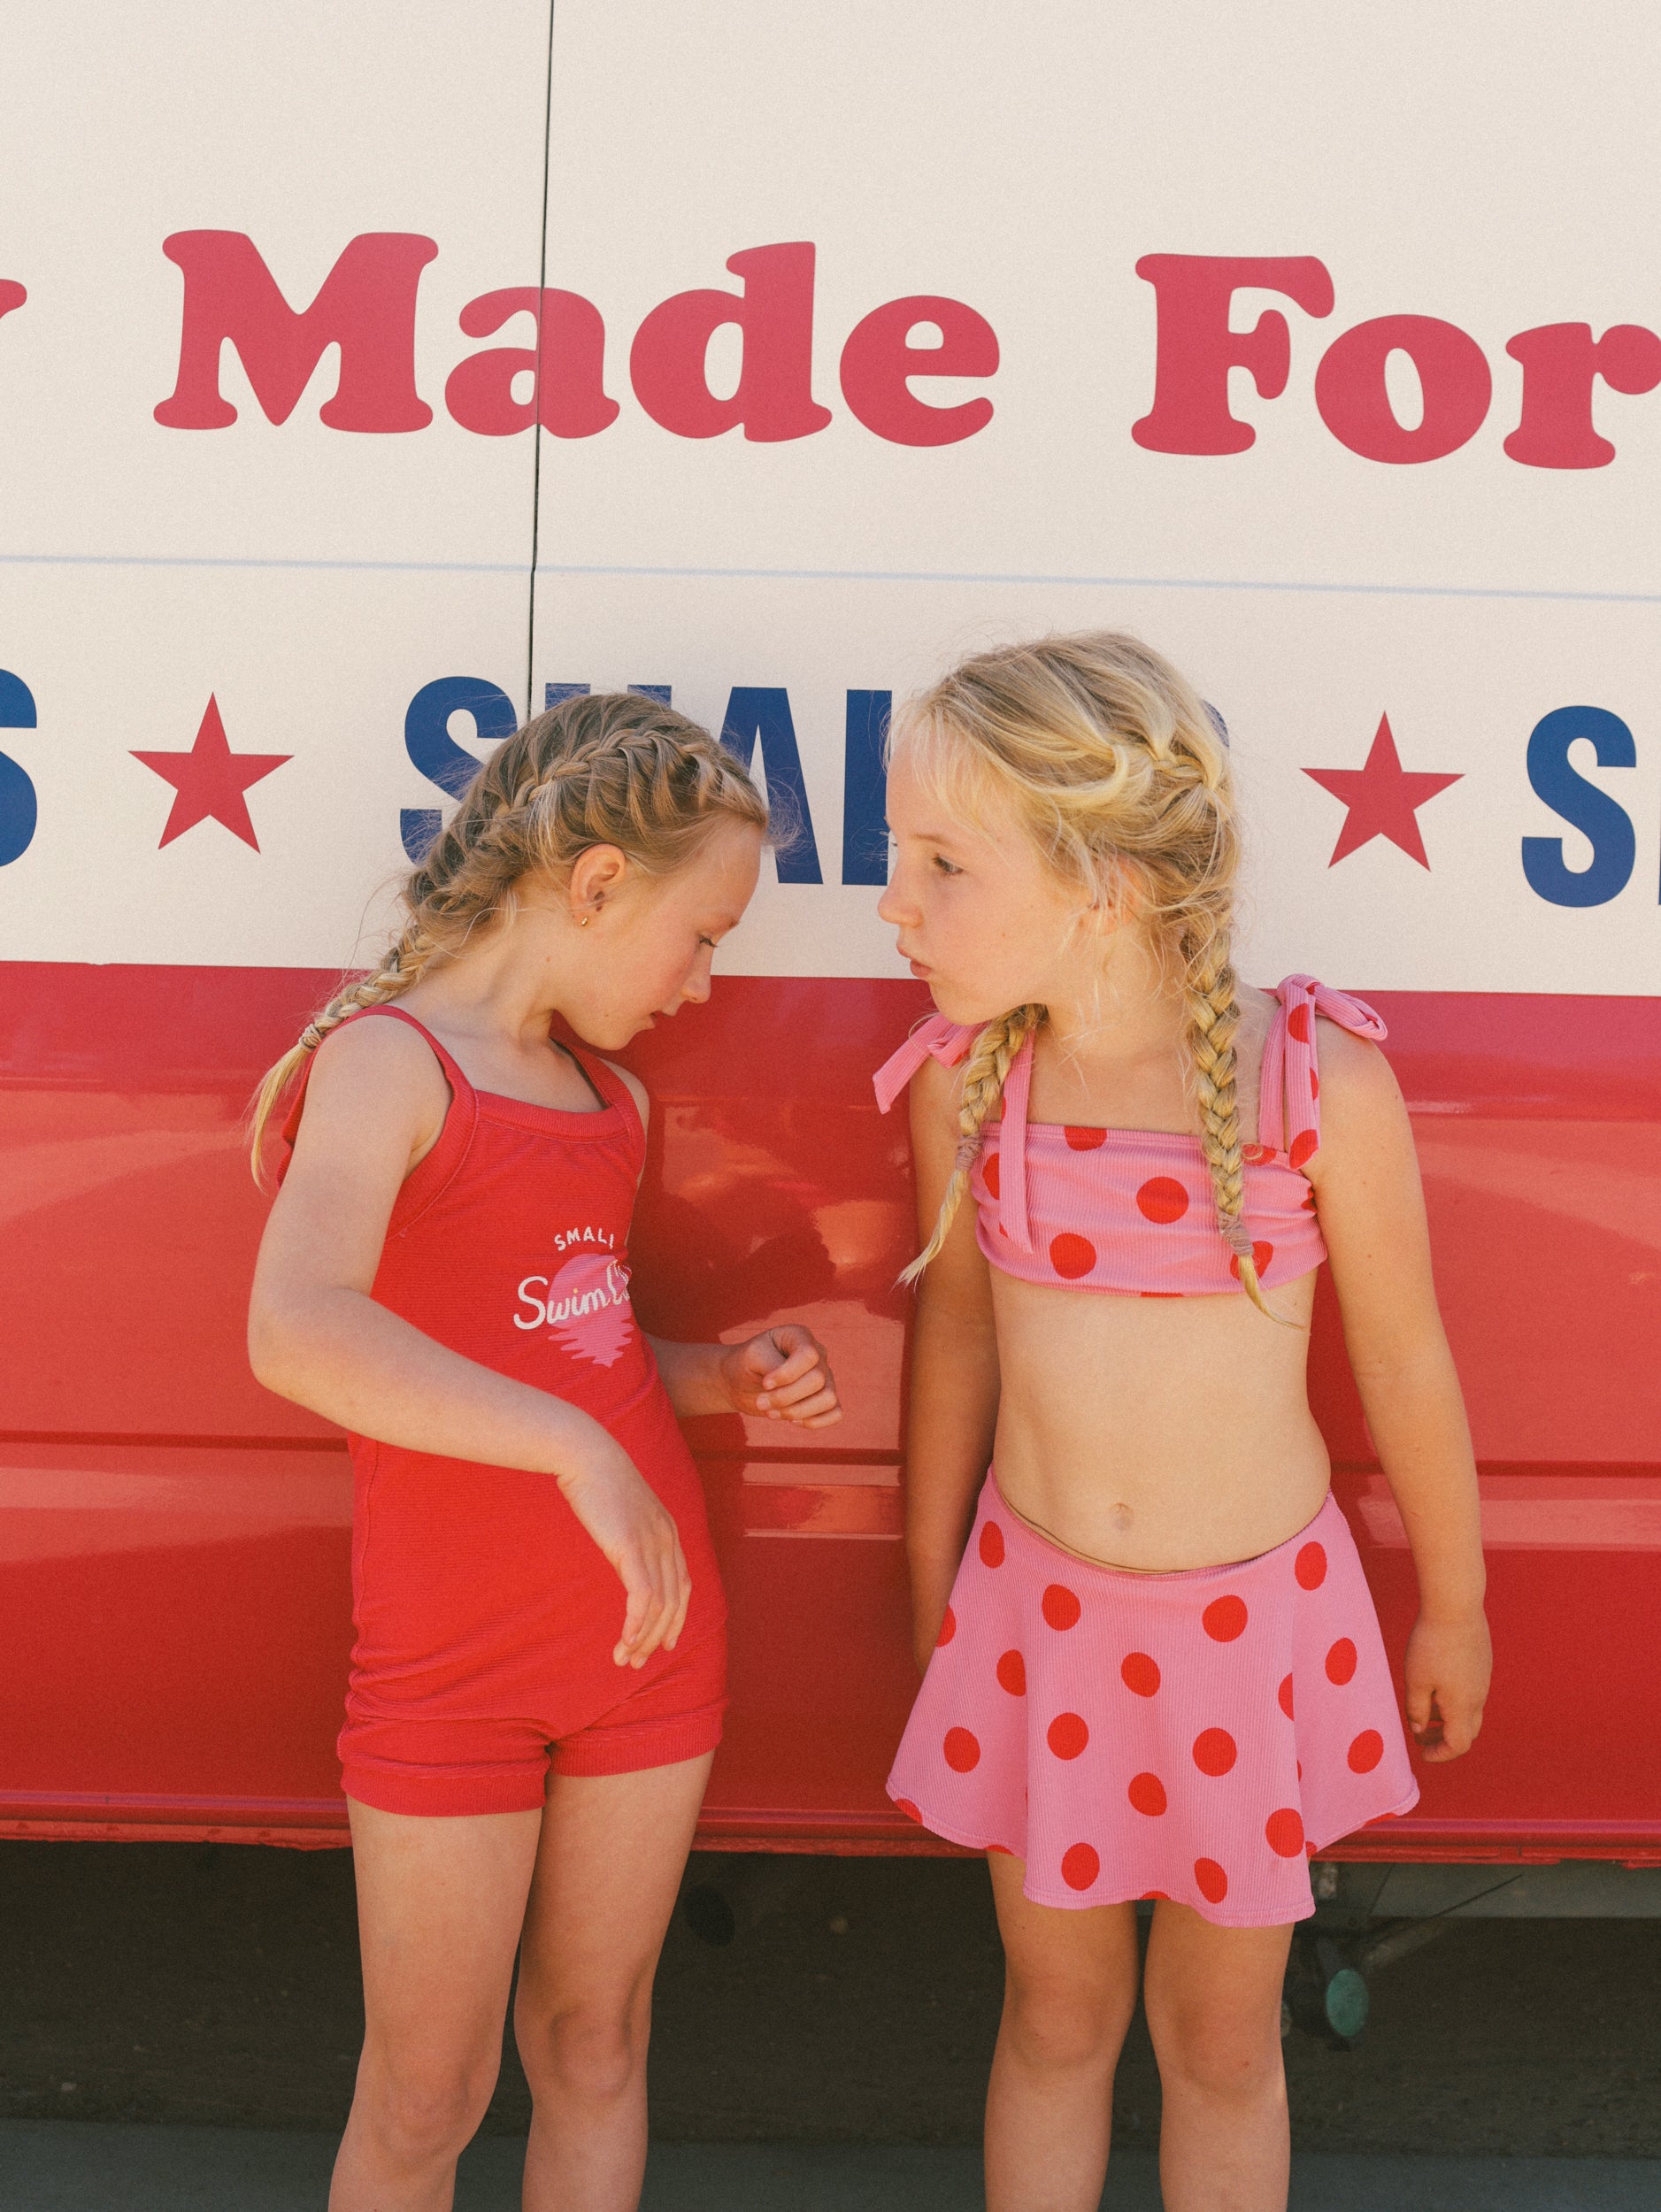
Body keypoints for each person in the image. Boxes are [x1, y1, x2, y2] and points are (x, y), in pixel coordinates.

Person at [872, 633, 1489, 2212]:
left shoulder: (1312, 1081)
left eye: (941, 864)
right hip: (1039, 1619)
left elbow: (1405, 1360)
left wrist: (1458, 1606)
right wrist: (925, 1580)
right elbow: (952, 1343)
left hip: (1251, 1633)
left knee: (1220, 2040)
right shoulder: (968, 1084)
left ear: (1107, 884)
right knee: (1055, 2014)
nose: (896, 905)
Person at [246, 692, 840, 2212]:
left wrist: (715, 1377)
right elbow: (297, 1329)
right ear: (592, 888)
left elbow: (571, 1344)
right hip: (450, 1662)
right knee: (427, 2091)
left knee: (593, 2046)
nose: (705, 980)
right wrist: (574, 1446)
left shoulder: (611, 1100)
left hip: (645, 1646)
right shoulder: (393, 1063)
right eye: (700, 934)